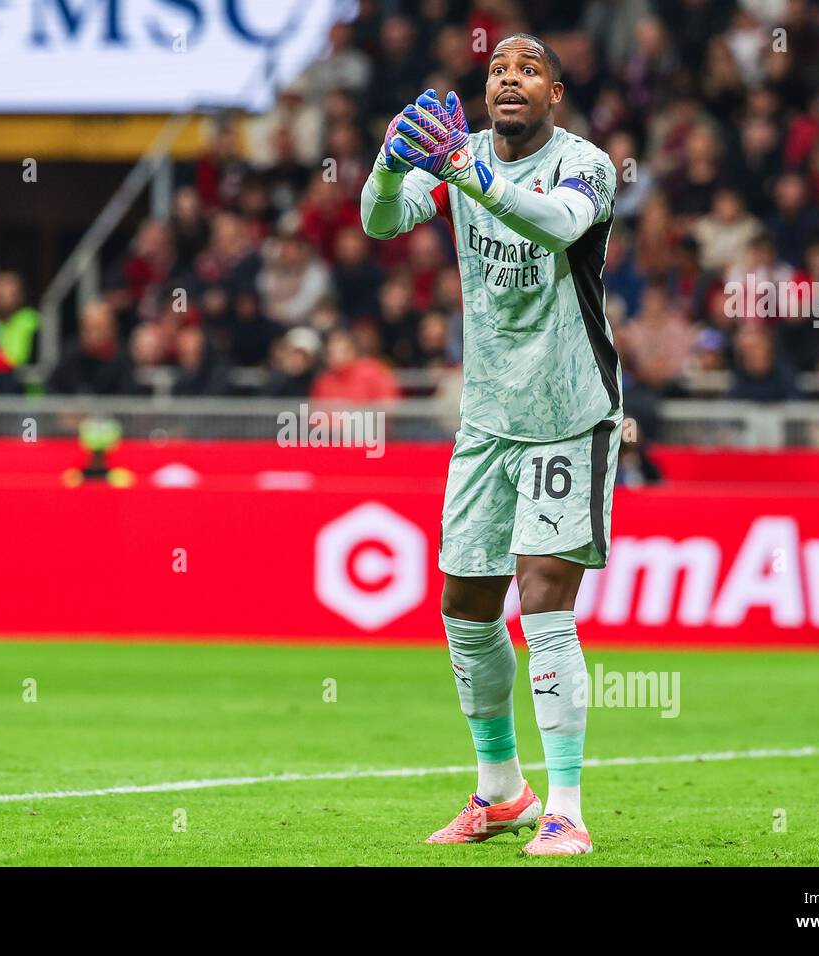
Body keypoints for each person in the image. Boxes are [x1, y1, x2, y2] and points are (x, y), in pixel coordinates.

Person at [361, 34, 620, 856]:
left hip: (569, 411)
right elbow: (378, 224)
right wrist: (391, 162)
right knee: (466, 610)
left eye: (529, 70)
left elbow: (554, 225)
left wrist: (468, 176)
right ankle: (502, 791)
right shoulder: (461, 154)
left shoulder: (588, 165)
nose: (510, 78)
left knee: (543, 601)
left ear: (556, 94)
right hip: (486, 418)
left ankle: (568, 809)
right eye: (498, 70)